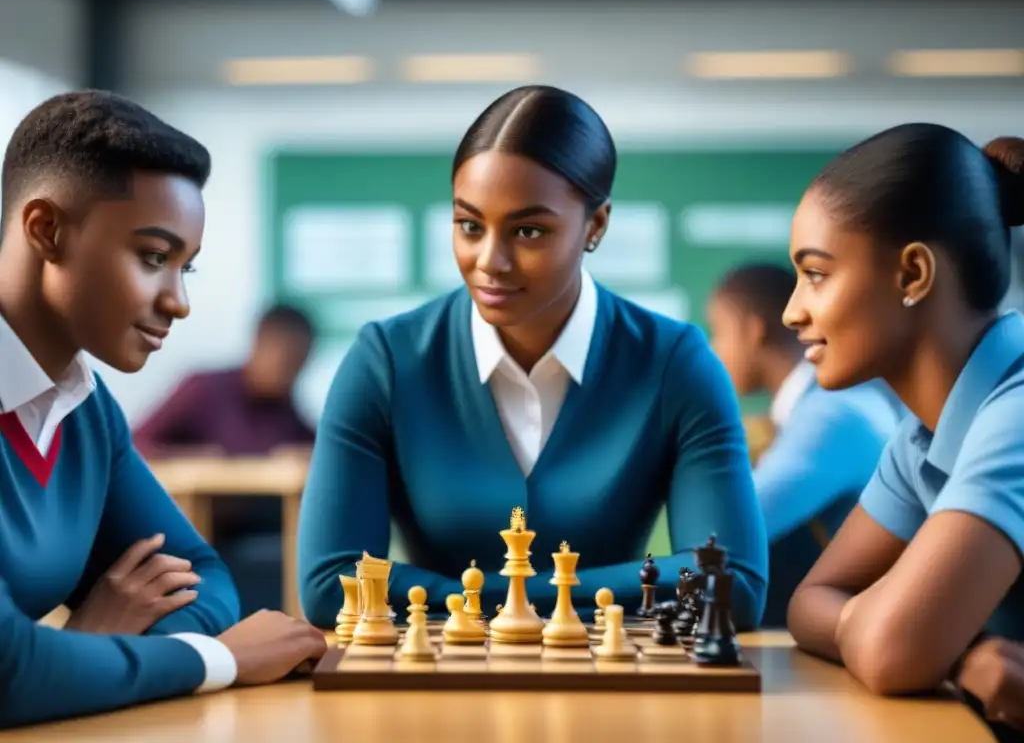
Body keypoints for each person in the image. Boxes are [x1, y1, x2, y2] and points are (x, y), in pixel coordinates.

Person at [297, 85, 769, 631]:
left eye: (528, 231)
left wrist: (471, 598)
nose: (489, 261)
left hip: (616, 693)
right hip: (430, 694)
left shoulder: (675, 364)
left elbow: (733, 585)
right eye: (470, 226)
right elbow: (329, 584)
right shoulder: (386, 361)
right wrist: (558, 597)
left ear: (596, 226)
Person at [0, 91, 325, 729]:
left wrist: (81, 654)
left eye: (186, 269)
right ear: (47, 230)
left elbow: (205, 580)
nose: (178, 302)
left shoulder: (86, 411)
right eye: (153, 257)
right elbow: (11, 669)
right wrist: (214, 660)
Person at [781, 123, 1024, 736]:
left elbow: (892, 649)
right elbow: (810, 603)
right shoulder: (922, 436)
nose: (792, 311)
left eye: (816, 274)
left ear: (914, 274)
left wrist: (915, 638)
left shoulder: (1016, 412)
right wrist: (961, 653)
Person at [706, 262, 904, 626]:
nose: (714, 349)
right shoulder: (814, 409)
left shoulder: (830, 415)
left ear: (753, 331)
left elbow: (728, 530)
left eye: (719, 332)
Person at [133, 303, 317, 615]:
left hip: (259, 533)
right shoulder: (205, 389)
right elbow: (137, 443)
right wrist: (193, 461)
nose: (289, 373)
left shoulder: (285, 409)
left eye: (299, 364)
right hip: (199, 533)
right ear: (260, 344)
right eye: (285, 360)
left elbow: (316, 451)